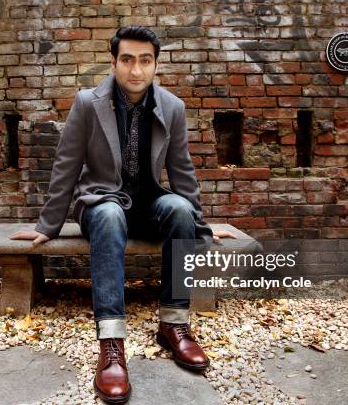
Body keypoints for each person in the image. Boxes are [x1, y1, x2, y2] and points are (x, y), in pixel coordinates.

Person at [12, 26, 235, 404]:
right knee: (111, 213)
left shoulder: (173, 108)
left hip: (148, 205)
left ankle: (174, 325)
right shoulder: (87, 103)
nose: (136, 70)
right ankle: (111, 344)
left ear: (155, 65)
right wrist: (47, 226)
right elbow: (66, 165)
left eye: (145, 61)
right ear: (114, 62)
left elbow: (182, 172)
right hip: (100, 205)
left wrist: (200, 224)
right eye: (127, 60)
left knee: (178, 208)